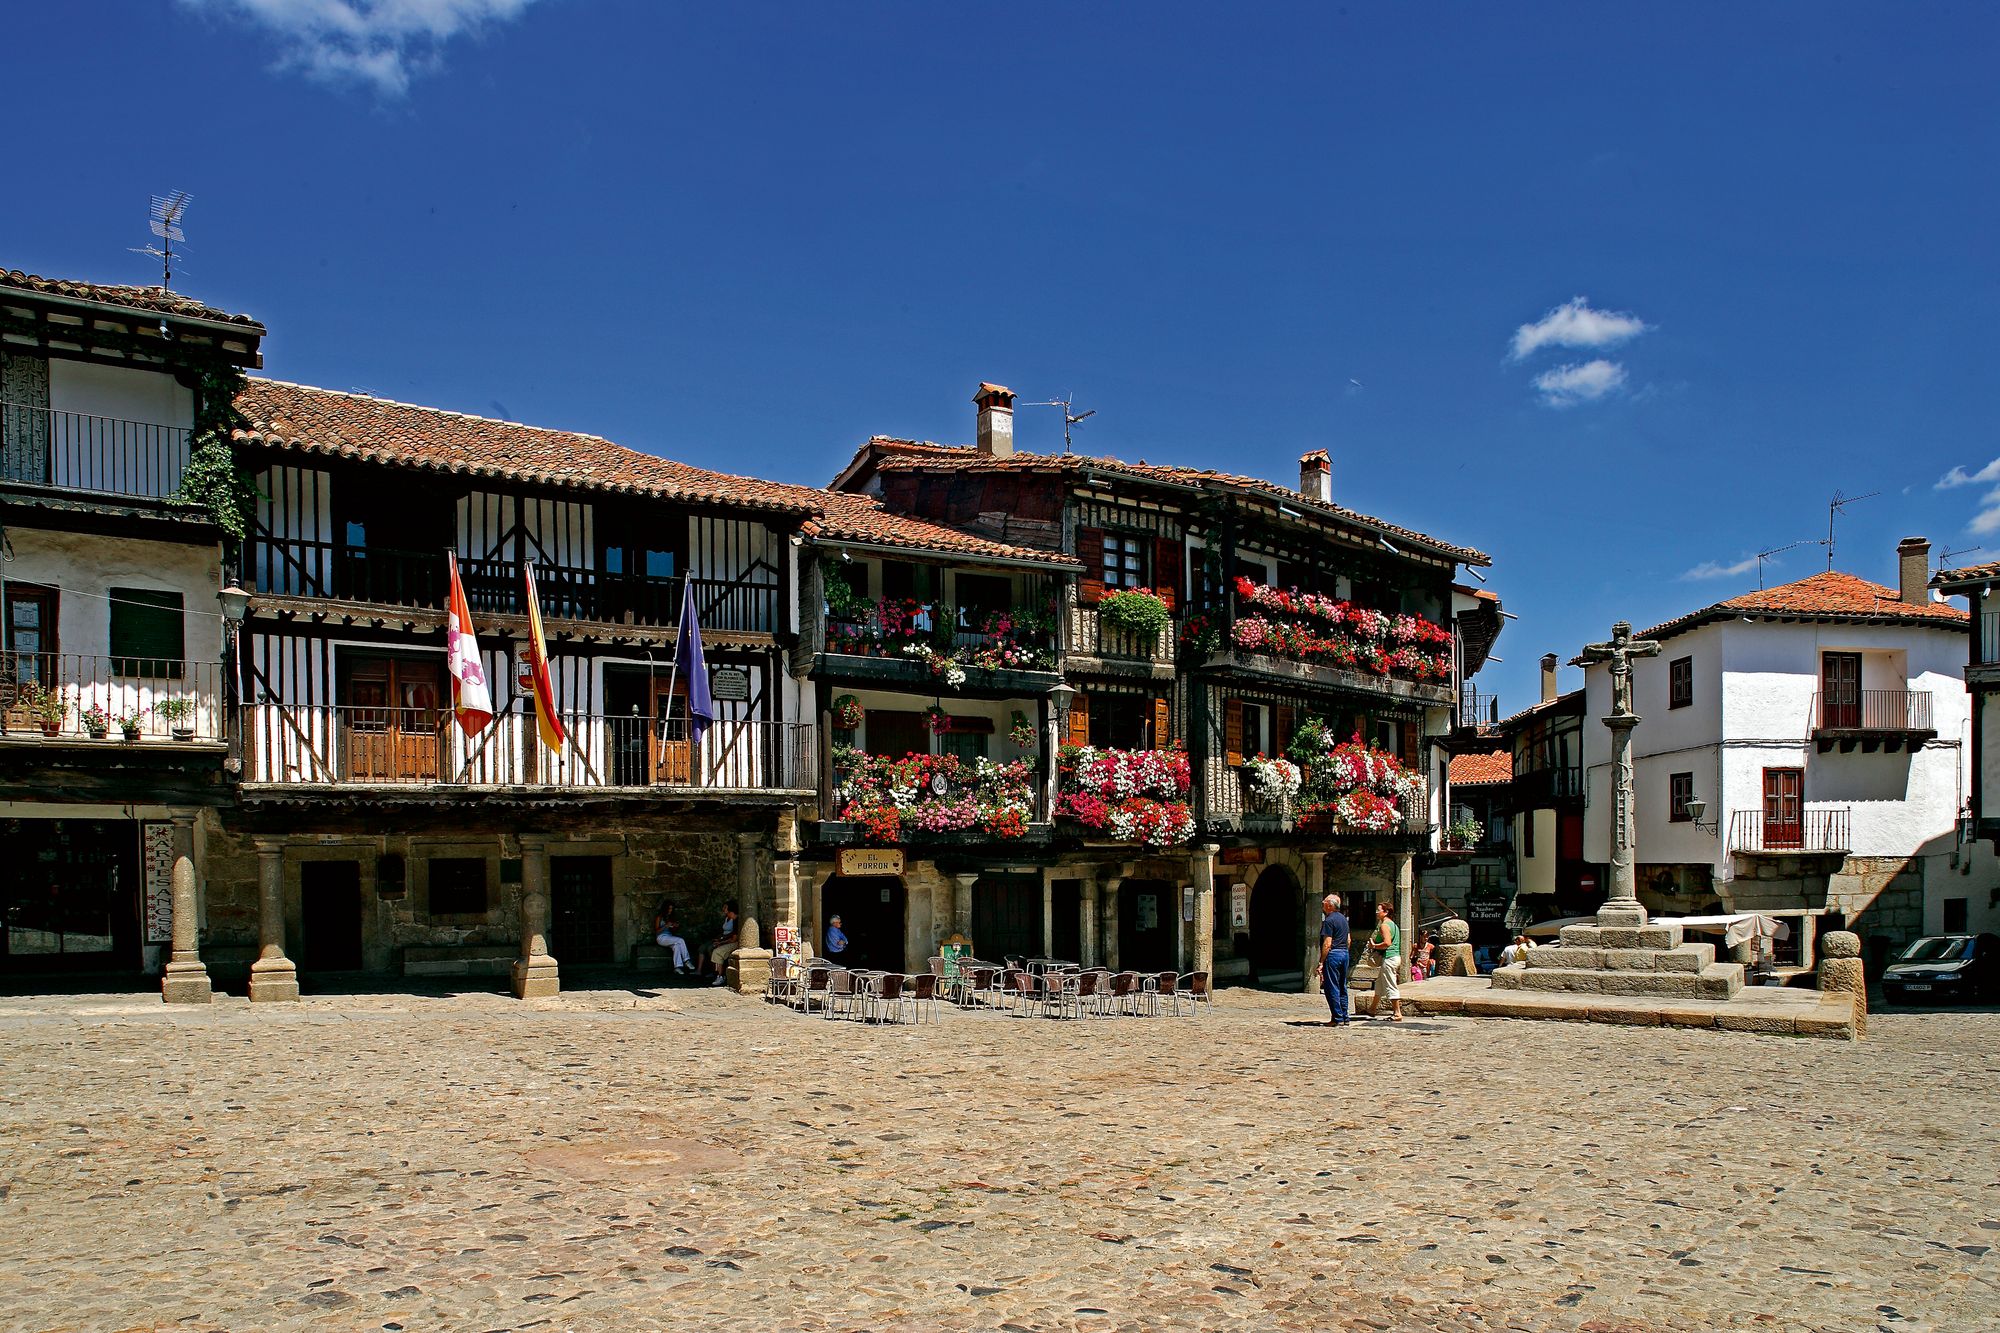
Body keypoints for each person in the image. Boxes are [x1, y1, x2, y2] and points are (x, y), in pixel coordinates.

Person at [1318, 893, 1352, 1027]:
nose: (1322, 904)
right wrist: (1344, 952)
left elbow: (1327, 943)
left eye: (1324, 902)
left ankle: (1337, 1018)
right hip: (1344, 953)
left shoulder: (1329, 920)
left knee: (1331, 986)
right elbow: (1348, 940)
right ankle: (1345, 1016)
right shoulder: (1343, 919)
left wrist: (1321, 961)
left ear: (1330, 906)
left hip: (1334, 954)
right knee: (1342, 986)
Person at [1366, 901, 1403, 1021]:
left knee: (1390, 985)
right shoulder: (1393, 925)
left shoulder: (1384, 925)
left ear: (1386, 912)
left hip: (1389, 958)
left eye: (1379, 910)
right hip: (1394, 957)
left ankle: (1397, 1012)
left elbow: (1387, 943)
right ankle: (1372, 1008)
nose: (1377, 912)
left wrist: (1374, 946)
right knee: (1380, 984)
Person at [652, 898, 692, 975]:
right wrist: (665, 926)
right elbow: (656, 931)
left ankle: (677, 967)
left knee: (677, 946)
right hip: (661, 938)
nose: (670, 910)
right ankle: (687, 960)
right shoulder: (659, 917)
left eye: (671, 909)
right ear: (665, 908)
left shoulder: (670, 917)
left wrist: (675, 926)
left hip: (669, 937)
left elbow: (673, 931)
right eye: (669, 908)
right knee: (680, 940)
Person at [704, 901, 740, 986]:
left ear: (730, 910)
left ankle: (720, 976)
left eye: (725, 908)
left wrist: (721, 943)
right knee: (712, 949)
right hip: (731, 941)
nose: (723, 910)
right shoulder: (733, 920)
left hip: (736, 943)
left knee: (717, 952)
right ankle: (716, 972)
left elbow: (733, 939)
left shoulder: (737, 920)